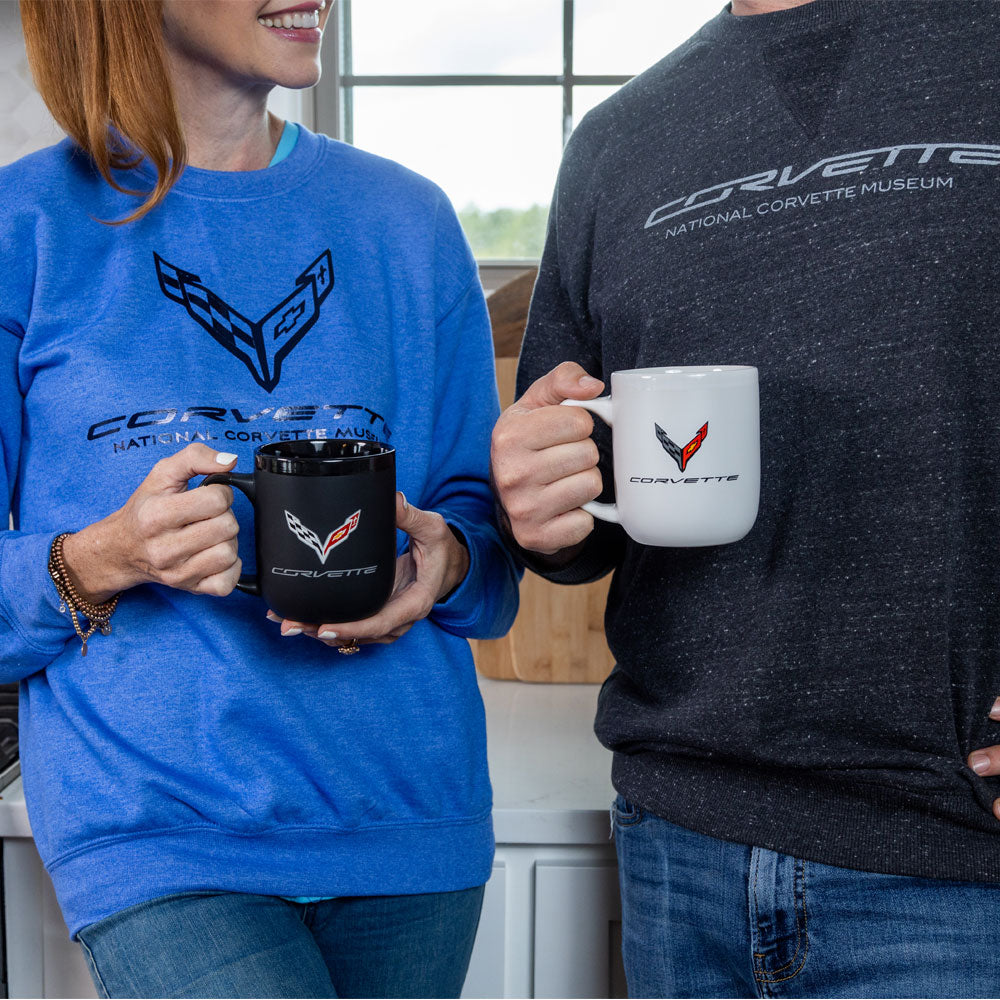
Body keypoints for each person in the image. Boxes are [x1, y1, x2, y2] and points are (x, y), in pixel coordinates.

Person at [1, 1, 520, 997]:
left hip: (408, 814)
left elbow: (489, 558)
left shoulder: (406, 221)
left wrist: (441, 559)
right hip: (159, 829)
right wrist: (107, 556)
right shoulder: (20, 229)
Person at [491, 0, 1000, 996]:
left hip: (954, 863)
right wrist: (539, 513)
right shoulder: (614, 141)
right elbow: (582, 493)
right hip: (678, 843)